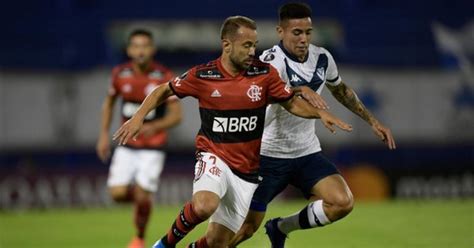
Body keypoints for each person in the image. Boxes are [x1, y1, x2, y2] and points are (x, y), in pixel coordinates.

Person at [113, 16, 352, 248]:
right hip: (214, 155)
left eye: (254, 45)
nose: (252, 51)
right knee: (204, 205)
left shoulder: (264, 74)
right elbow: (163, 90)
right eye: (246, 45)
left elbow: (290, 102)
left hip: (246, 172)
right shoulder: (204, 75)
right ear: (226, 45)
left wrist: (318, 113)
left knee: (219, 242)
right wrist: (138, 117)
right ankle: (164, 244)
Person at [229, 3, 397, 248]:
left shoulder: (322, 58)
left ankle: (280, 227)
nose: (304, 39)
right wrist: (312, 104)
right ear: (280, 32)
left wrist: (373, 121)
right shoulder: (269, 61)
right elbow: (284, 99)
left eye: (308, 32)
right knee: (245, 230)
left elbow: (340, 90)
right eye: (296, 32)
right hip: (267, 155)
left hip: (305, 152)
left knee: (342, 202)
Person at [96, 29, 182, 248]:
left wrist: (154, 126)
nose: (141, 50)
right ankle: (144, 200)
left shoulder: (163, 76)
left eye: (145, 45)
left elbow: (176, 116)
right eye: (136, 46)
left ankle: (139, 238)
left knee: (143, 196)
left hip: (153, 147)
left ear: (152, 49)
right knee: (116, 194)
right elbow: (109, 103)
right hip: (127, 144)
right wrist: (104, 135)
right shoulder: (119, 74)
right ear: (129, 50)